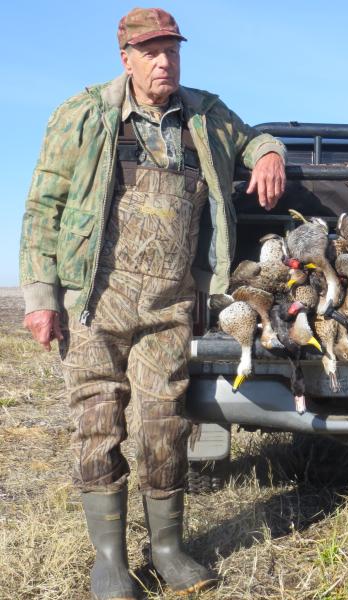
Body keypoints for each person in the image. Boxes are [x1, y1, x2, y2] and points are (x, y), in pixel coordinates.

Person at [18, 8, 286, 599]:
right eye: (151, 51)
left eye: (172, 49)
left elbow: (254, 137)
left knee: (165, 424)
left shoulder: (207, 116)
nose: (165, 61)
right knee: (97, 423)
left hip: (170, 303)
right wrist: (41, 298)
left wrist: (269, 154)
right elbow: (43, 207)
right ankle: (110, 562)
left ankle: (166, 548)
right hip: (96, 298)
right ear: (126, 58)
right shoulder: (84, 114)